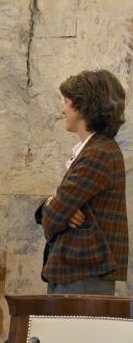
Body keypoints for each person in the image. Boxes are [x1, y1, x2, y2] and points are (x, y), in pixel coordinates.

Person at [35, 70, 128, 295]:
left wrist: (55, 208)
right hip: (78, 271)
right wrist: (52, 203)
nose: (62, 109)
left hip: (83, 272)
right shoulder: (95, 150)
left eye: (67, 102)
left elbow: (53, 218)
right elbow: (55, 210)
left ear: (84, 107)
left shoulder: (98, 153)